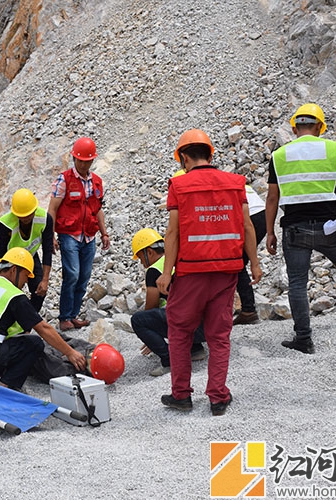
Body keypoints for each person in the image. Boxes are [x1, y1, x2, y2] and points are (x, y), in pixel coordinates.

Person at [157, 129, 261, 417]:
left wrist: (166, 273)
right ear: (210, 154)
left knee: (179, 332)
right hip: (227, 271)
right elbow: (247, 226)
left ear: (184, 158)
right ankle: (217, 397)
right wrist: (254, 263)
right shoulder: (235, 183)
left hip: (191, 272)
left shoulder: (179, 186)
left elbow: (173, 232)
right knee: (219, 336)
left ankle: (181, 395)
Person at [265, 103, 336, 354]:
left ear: (295, 127)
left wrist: (269, 233)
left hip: (294, 229)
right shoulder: (334, 149)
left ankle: (304, 338)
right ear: (320, 127)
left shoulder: (279, 155)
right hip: (328, 227)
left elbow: (271, 199)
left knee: (298, 282)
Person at [0, 248, 87, 390]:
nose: (25, 282)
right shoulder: (13, 295)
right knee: (34, 343)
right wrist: (70, 352)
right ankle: (5, 384)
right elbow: (43, 329)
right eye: (25, 275)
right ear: (13, 270)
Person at [48, 137, 110, 331]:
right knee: (72, 274)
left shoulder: (96, 182)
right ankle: (64, 317)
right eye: (79, 160)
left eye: (86, 161)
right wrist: (50, 236)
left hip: (89, 236)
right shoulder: (64, 179)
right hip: (69, 235)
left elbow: (97, 209)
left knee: (84, 276)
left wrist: (104, 233)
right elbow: (52, 209)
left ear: (92, 161)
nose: (83, 164)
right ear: (73, 159)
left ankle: (73, 315)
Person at [129, 228, 206, 377]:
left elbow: (151, 306)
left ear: (149, 252)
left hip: (189, 325)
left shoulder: (154, 270)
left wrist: (150, 334)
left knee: (139, 320)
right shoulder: (179, 256)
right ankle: (195, 349)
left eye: (141, 258)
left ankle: (169, 360)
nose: (142, 263)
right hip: (208, 326)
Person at [0, 188, 54, 311]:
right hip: (11, 262)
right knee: (9, 294)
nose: (26, 218)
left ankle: (28, 321)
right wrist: (1, 277)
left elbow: (47, 250)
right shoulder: (6, 224)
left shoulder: (45, 219)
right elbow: (0, 253)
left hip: (30, 256)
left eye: (29, 215)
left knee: (39, 290)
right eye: (22, 216)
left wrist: (45, 280)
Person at [233, 185, 267, 325]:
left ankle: (248, 311)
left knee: (237, 264)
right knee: (239, 263)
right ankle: (248, 310)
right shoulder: (232, 181)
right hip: (262, 214)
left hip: (248, 217)